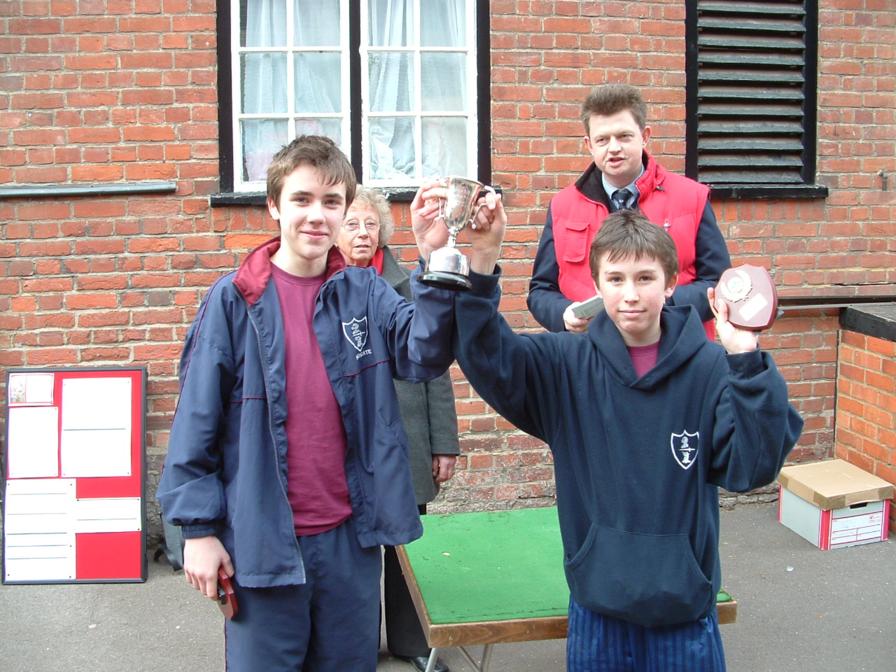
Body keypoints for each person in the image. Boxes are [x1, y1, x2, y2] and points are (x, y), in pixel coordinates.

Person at [411, 185, 803, 671]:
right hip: (598, 610)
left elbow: (753, 466)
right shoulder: (566, 365)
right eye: (615, 279)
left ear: (671, 282)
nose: (631, 294)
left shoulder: (711, 369)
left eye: (645, 277)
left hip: (684, 614)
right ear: (597, 285)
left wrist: (745, 356)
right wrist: (486, 258)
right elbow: (488, 355)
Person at [156, 135, 456, 672]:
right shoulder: (233, 300)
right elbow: (196, 422)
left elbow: (424, 353)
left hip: (350, 539)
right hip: (262, 542)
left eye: (332, 202)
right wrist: (197, 531)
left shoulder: (365, 292)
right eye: (301, 199)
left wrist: (432, 263)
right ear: (274, 205)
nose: (317, 216)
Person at [336, 187, 458, 672]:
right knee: (356, 548)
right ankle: (358, 643)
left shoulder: (409, 283)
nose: (363, 233)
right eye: (352, 224)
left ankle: (412, 641)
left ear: (383, 231)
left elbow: (437, 366)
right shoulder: (325, 287)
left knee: (407, 547)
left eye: (370, 224)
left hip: (406, 438)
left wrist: (443, 441)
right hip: (350, 439)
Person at [527, 83, 731, 336]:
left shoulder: (692, 197)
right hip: (588, 357)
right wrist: (565, 314)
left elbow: (721, 285)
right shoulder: (562, 206)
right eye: (602, 139)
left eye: (624, 136)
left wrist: (657, 303)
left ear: (644, 136)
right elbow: (540, 291)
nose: (613, 148)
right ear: (589, 144)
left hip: (676, 354)